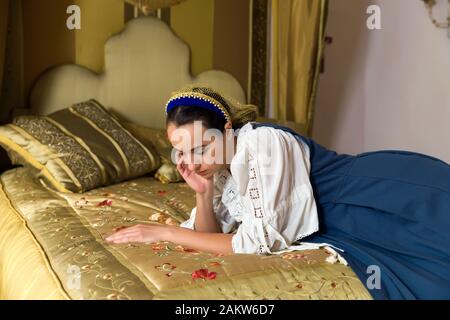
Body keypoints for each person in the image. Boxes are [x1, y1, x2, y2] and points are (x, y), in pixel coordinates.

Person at [106, 86, 450, 299]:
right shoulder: (221, 167)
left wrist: (165, 230)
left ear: (227, 130)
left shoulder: (263, 145)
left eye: (200, 148)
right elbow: (209, 235)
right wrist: (202, 192)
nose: (192, 163)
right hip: (350, 223)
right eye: (182, 152)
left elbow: (256, 243)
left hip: (380, 195)